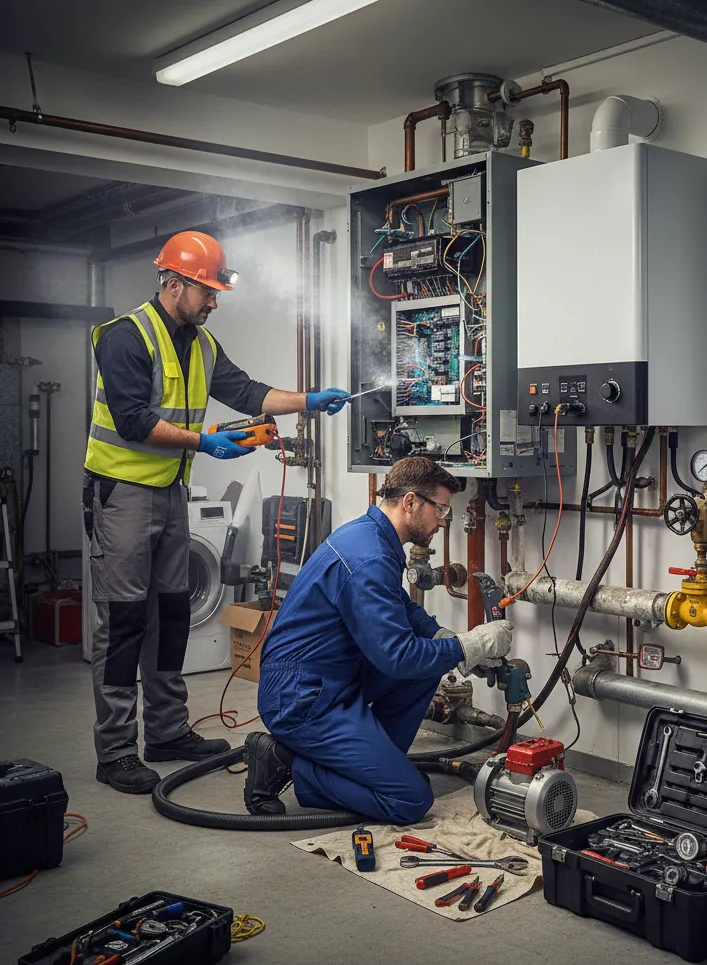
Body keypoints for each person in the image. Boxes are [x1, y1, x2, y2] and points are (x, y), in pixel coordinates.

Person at [85, 229, 350, 796]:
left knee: (172, 614)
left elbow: (248, 392)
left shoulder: (202, 344)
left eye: (215, 290)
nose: (213, 301)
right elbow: (132, 421)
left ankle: (166, 732)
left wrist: (308, 401)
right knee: (125, 621)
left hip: (170, 493)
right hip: (122, 495)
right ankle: (114, 752)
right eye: (205, 290)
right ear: (172, 283)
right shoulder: (124, 337)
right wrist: (204, 444)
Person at [243, 457, 514, 825]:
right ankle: (289, 763)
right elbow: (398, 658)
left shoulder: (371, 536)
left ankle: (372, 769)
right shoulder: (370, 557)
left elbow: (400, 605)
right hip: (302, 698)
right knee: (410, 801)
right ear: (411, 502)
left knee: (425, 671)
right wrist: (469, 647)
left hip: (329, 679)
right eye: (441, 508)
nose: (443, 520)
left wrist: (444, 637)